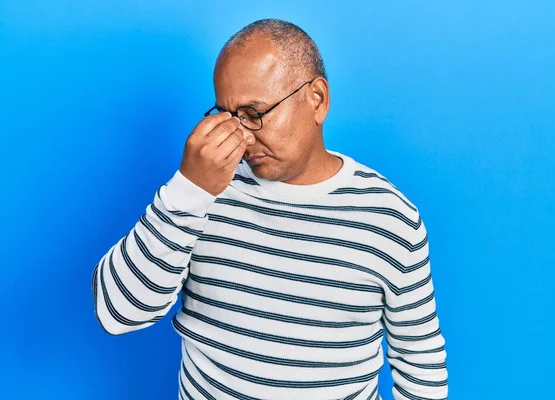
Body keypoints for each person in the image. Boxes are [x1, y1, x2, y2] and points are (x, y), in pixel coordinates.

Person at [92, 18, 448, 400]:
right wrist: (188, 190)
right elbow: (117, 313)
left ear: (317, 99)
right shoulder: (203, 192)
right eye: (227, 116)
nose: (241, 137)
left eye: (254, 113)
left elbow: (420, 359)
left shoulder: (388, 218)